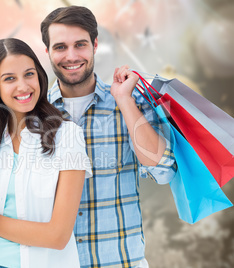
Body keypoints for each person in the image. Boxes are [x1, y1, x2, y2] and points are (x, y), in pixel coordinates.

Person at [39, 6, 177, 268]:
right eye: (60, 47)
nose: (71, 56)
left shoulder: (130, 102)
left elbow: (164, 172)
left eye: (80, 44)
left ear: (95, 45)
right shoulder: (33, 114)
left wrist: (124, 101)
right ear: (47, 52)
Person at [0, 38, 92, 268]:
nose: (24, 86)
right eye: (9, 79)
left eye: (29, 74)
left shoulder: (67, 135)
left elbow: (56, 236)